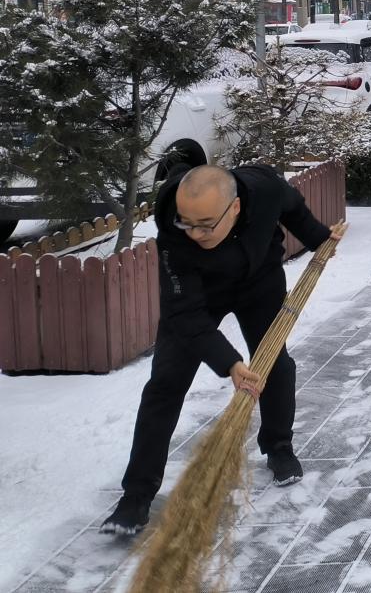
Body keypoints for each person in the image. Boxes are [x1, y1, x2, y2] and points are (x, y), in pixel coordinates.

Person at [101, 164, 339, 536]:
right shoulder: (174, 234)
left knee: (275, 364)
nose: (195, 233)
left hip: (258, 280)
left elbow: (293, 207)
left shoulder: (265, 191)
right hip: (200, 296)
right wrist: (229, 363)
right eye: (187, 223)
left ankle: (278, 446)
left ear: (236, 208)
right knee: (165, 384)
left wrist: (319, 238)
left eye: (206, 224)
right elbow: (185, 312)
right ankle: (136, 495)